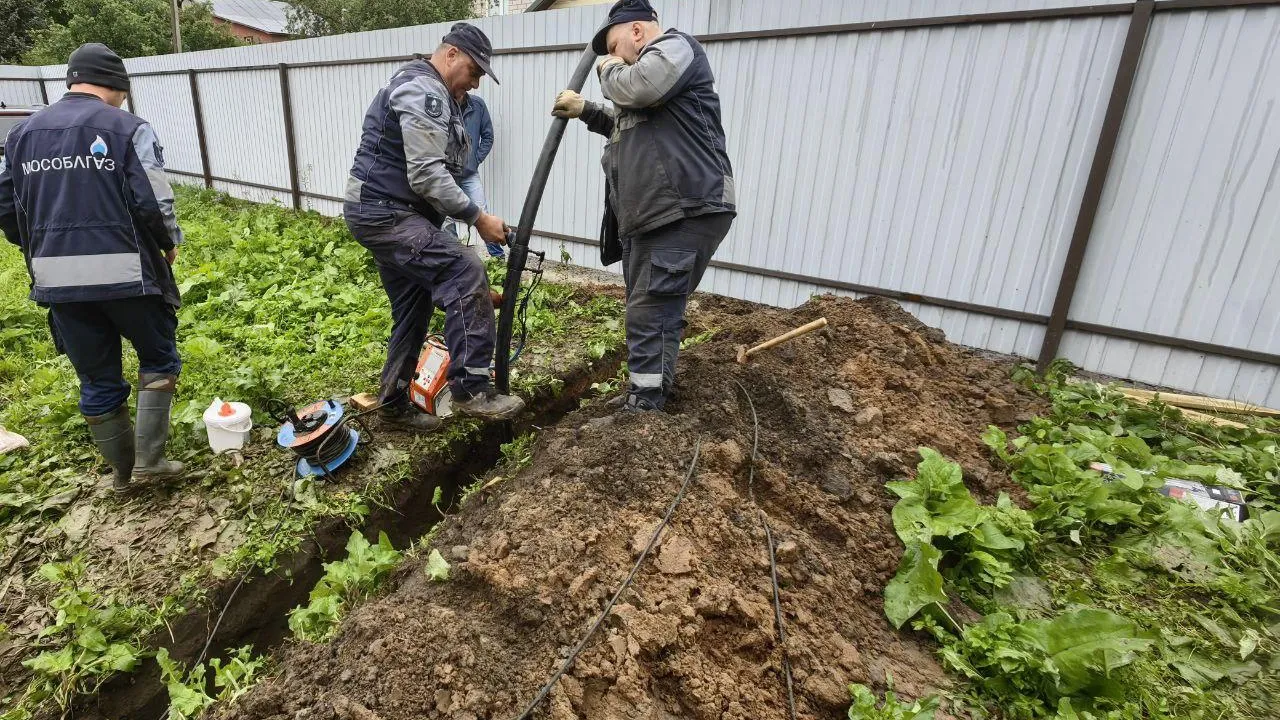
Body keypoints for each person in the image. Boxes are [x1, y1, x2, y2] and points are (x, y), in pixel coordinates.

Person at [0, 43, 186, 491]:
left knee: (97, 378)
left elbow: (5, 204)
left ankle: (121, 475)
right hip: (128, 278)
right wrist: (168, 243)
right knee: (158, 359)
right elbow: (153, 200)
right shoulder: (127, 127)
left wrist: (39, 244)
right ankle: (150, 463)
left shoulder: (21, 135)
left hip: (57, 281)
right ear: (116, 85)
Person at [552, 0, 735, 412]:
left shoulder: (674, 48)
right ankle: (649, 393)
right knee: (653, 309)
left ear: (637, 32)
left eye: (613, 47)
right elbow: (627, 123)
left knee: (650, 312)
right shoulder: (652, 85)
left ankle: (643, 409)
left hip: (682, 209)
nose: (611, 58)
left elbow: (637, 89)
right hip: (657, 215)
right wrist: (587, 111)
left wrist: (607, 68)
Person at [344, 22, 524, 429]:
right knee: (464, 269)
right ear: (451, 54)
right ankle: (472, 389)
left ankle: (392, 405)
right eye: (474, 72)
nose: (475, 83)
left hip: (386, 213)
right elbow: (426, 173)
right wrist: (477, 217)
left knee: (414, 305)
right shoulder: (424, 89)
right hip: (386, 213)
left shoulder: (443, 95)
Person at [448, 90, 502, 259]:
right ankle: (455, 257)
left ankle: (498, 258)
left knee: (482, 213)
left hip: (469, 173)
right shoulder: (444, 103)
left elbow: (488, 136)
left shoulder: (477, 105)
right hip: (447, 173)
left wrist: (475, 159)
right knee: (445, 217)